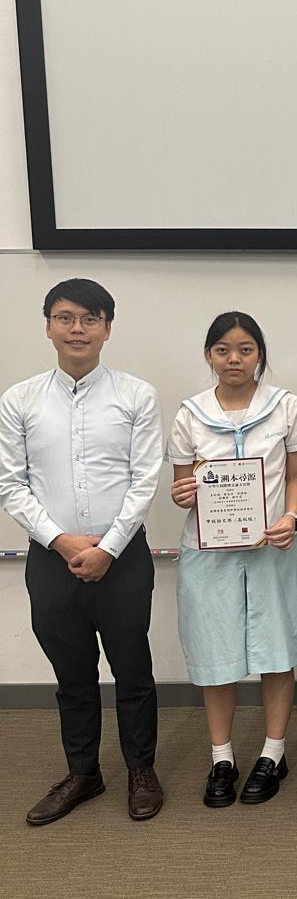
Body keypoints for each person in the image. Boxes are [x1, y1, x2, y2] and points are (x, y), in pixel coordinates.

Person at [0, 278, 164, 824]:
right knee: (72, 676)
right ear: (48, 326)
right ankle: (83, 773)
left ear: (107, 329)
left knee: (133, 669)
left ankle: (141, 769)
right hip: (52, 559)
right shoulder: (19, 399)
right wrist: (62, 540)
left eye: (90, 319)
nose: (78, 329)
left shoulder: (136, 395)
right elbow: (11, 484)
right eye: (66, 318)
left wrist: (108, 547)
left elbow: (145, 479)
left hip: (124, 557)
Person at [168, 313, 297, 808]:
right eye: (223, 350)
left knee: (276, 650)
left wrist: (291, 517)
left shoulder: (286, 406)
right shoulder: (190, 414)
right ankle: (222, 758)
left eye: (246, 349)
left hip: (274, 548)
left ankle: (274, 752)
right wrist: (183, 494)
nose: (234, 359)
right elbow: (182, 487)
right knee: (216, 657)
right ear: (209, 355)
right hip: (209, 554)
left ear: (260, 355)